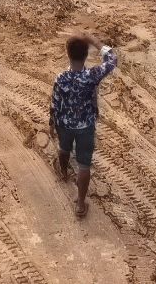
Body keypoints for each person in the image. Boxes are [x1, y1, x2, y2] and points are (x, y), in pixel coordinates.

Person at [50, 35, 119, 219]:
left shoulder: (61, 78)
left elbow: (55, 102)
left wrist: (52, 122)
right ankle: (80, 204)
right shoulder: (91, 76)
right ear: (86, 54)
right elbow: (113, 60)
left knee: (63, 149)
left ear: (68, 54)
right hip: (86, 126)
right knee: (84, 165)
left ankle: (63, 172)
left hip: (64, 123)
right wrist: (96, 43)